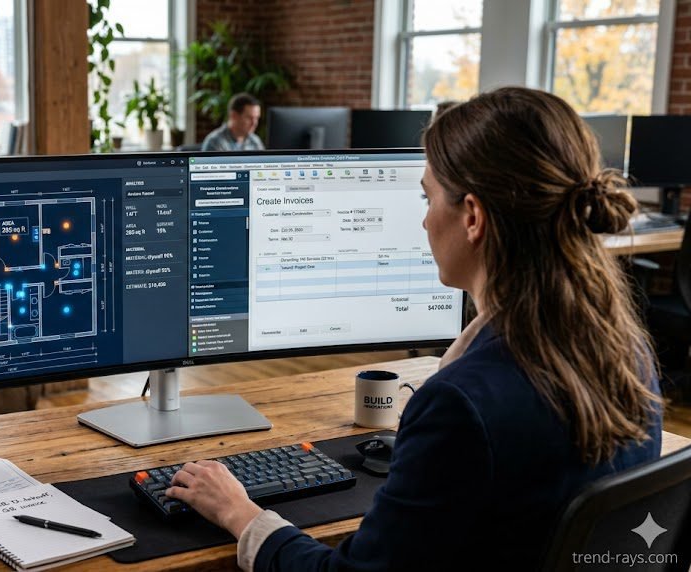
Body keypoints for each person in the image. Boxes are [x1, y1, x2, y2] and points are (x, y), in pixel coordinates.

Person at [166, 87, 663, 571]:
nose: (424, 222)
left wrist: (240, 512)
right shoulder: (626, 353)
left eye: (427, 198)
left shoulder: (460, 405)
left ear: (472, 216)